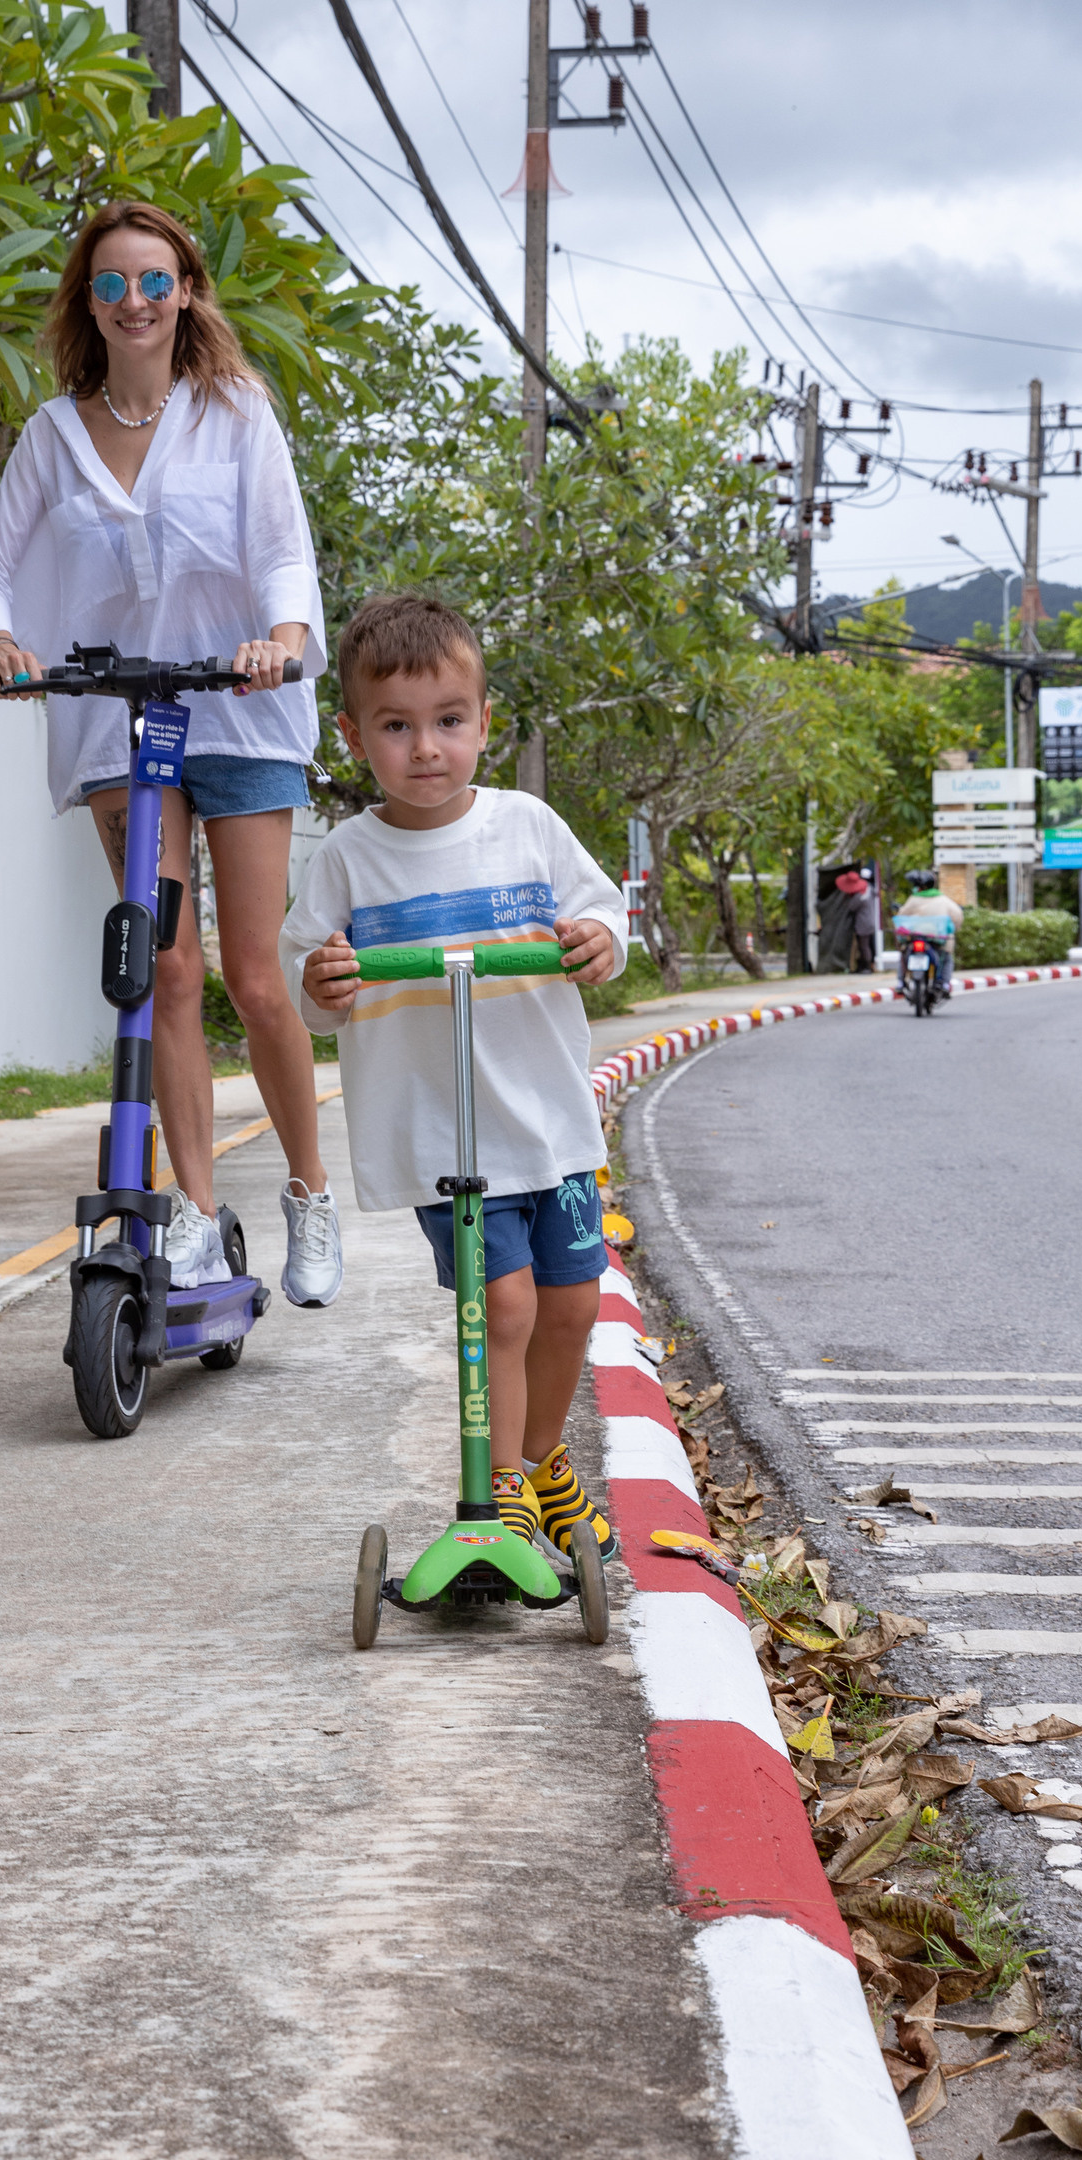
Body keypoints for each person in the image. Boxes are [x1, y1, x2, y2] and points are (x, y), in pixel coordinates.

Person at [0, 199, 342, 1306]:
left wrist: (283, 641)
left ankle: (309, 1197)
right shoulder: (52, 435)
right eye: (112, 283)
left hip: (241, 713)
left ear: (186, 294)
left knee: (254, 978)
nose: (135, 301)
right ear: (88, 300)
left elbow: (281, 549)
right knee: (165, 971)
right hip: (123, 723)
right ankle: (194, 1218)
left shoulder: (235, 412)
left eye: (155, 281)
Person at [280, 591, 627, 1558]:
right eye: (396, 727)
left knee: (572, 1304)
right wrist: (327, 981)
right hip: (445, 1136)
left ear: (483, 723)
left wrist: (598, 939)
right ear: (353, 735)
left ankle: (542, 1460)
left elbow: (603, 913)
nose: (424, 747)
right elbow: (305, 982)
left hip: (547, 1122)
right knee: (503, 1306)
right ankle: (502, 1492)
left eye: (447, 722)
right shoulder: (350, 857)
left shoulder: (527, 827)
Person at [893, 868, 963, 994]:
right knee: (946, 957)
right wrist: (956, 928)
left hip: (914, 937)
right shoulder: (943, 899)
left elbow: (902, 915)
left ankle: (900, 982)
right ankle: (943, 983)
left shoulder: (913, 899)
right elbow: (957, 915)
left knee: (903, 955)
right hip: (937, 939)